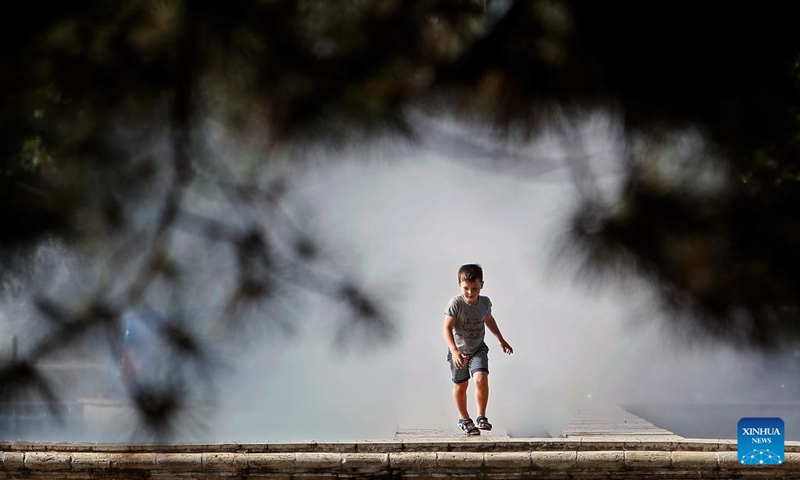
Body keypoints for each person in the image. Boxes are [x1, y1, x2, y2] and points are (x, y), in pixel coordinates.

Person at [443, 263, 513, 435]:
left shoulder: (485, 302)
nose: (470, 292)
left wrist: (501, 340)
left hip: (478, 349)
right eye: (466, 288)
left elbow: (489, 320)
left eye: (475, 288)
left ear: (482, 284)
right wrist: (453, 350)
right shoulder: (455, 304)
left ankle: (481, 416)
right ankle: (464, 418)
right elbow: (446, 328)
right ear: (459, 284)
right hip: (458, 351)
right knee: (461, 386)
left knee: (481, 378)